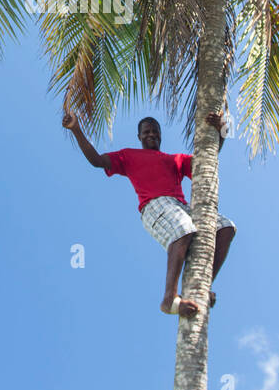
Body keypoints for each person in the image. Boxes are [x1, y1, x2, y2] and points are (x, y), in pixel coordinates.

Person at [62, 110, 236, 317]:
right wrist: (76, 129)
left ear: (160, 135)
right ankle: (169, 299)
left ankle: (203, 287)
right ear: (139, 136)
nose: (151, 134)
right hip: (154, 206)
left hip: (181, 206)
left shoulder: (175, 160)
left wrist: (221, 131)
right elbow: (97, 160)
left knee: (226, 228)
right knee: (183, 229)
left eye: (155, 131)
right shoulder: (128, 156)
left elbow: (208, 160)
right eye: (146, 132)